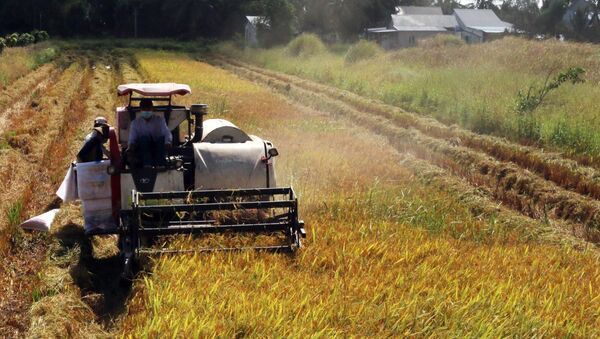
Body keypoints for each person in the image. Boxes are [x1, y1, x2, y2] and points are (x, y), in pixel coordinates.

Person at [128, 98, 172, 168]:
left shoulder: (160, 120)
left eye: (148, 108)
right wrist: (131, 146)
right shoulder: (135, 123)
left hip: (158, 147)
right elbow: (132, 138)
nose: (146, 111)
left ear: (152, 109)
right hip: (143, 149)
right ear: (140, 109)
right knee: (143, 139)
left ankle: (161, 165)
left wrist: (167, 142)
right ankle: (147, 166)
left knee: (161, 139)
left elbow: (166, 133)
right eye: (144, 109)